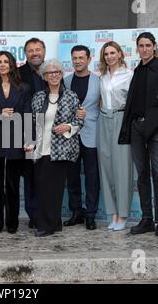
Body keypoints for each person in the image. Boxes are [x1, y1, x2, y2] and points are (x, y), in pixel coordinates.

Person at [119, 32, 158, 241]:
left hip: (157, 130)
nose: (144, 49)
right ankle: (147, 219)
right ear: (138, 48)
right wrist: (132, 126)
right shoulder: (137, 71)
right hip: (136, 128)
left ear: (154, 46)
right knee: (142, 175)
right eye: (140, 46)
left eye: (147, 45)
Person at [30, 59, 83, 237]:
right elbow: (33, 123)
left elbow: (79, 121)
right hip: (40, 149)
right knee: (42, 188)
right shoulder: (38, 97)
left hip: (61, 149)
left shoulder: (71, 96)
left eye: (57, 72)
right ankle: (55, 223)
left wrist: (68, 127)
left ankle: (47, 226)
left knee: (54, 190)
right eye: (49, 73)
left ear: (61, 75)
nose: (54, 75)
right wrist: (29, 142)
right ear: (44, 77)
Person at [0, 51, 31, 234]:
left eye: (6, 61)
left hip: (16, 140)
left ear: (12, 65)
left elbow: (28, 115)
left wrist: (29, 139)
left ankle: (12, 221)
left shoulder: (23, 88)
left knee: (12, 183)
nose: (3, 64)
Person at [97, 41, 134, 231]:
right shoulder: (101, 77)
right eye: (106, 54)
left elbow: (134, 103)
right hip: (104, 120)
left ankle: (123, 215)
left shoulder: (129, 75)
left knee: (122, 169)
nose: (109, 56)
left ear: (120, 54)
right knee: (106, 169)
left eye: (112, 52)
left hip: (121, 119)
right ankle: (113, 214)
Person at [63, 45, 100, 230]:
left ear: (88, 59)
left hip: (92, 133)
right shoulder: (66, 81)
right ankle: (76, 212)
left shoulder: (99, 81)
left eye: (81, 58)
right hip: (70, 135)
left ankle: (91, 214)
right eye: (75, 58)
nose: (77, 61)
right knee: (72, 176)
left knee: (92, 176)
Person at [18, 38, 48, 229]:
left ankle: (47, 213)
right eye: (30, 50)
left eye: (38, 49)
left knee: (48, 172)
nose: (34, 53)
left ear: (43, 51)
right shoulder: (18, 74)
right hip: (28, 128)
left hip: (51, 130)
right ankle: (34, 215)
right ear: (26, 54)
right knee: (30, 174)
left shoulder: (52, 71)